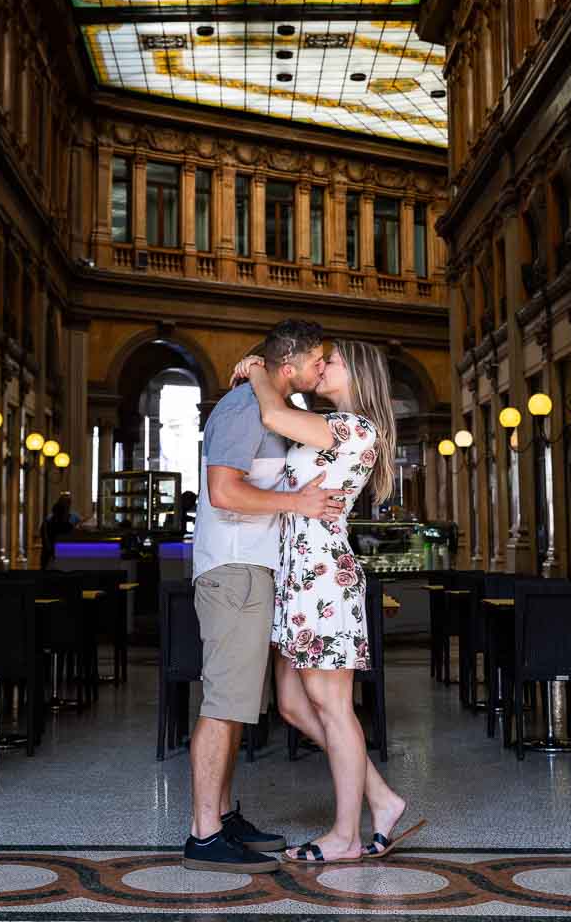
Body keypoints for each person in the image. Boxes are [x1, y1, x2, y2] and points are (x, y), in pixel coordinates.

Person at [233, 339, 426, 864]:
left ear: (357, 374)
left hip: (322, 579)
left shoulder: (355, 427)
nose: (321, 367)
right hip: (299, 576)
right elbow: (285, 417)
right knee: (294, 705)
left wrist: (257, 371)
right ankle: (382, 798)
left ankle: (345, 835)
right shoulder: (326, 423)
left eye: (332, 361)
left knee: (334, 709)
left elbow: (273, 411)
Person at [183, 320, 345, 874]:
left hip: (255, 571)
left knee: (238, 706)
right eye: (319, 360)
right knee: (223, 704)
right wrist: (297, 504)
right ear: (292, 363)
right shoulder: (241, 409)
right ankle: (204, 835)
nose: (323, 369)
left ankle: (224, 816)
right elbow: (223, 490)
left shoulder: (268, 404)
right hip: (233, 570)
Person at [40, 491, 80, 570]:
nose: (68, 505)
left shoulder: (47, 521)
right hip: (58, 558)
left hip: (50, 558)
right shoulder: (65, 524)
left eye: (68, 502)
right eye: (66, 502)